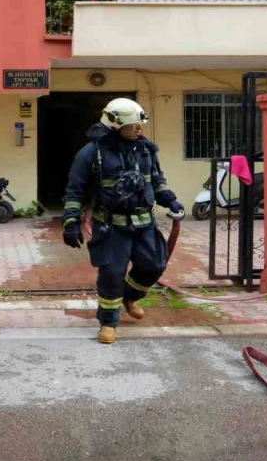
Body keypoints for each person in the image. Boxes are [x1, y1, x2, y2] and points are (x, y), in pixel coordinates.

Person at [62, 98, 184, 345]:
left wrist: (170, 200)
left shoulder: (146, 150)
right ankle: (108, 322)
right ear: (115, 125)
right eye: (133, 125)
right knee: (112, 273)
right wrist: (71, 222)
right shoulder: (91, 154)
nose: (139, 128)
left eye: (140, 124)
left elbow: (156, 181)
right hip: (111, 227)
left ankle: (130, 297)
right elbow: (75, 191)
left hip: (144, 223)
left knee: (154, 265)